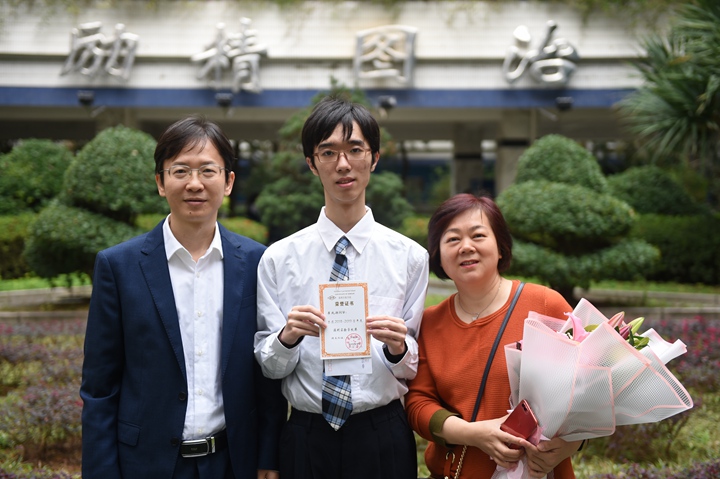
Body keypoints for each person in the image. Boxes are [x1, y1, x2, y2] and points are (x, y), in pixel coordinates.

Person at [80, 116, 287, 479]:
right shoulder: (119, 266)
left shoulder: (257, 261)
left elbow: (266, 370)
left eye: (208, 170)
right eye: (180, 171)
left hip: (232, 461)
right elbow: (100, 387)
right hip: (146, 465)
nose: (194, 183)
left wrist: (268, 456)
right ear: (161, 182)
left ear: (228, 182)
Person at [254, 95, 429, 479]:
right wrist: (287, 338)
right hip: (307, 433)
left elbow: (413, 365)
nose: (343, 164)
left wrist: (398, 347)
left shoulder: (409, 257)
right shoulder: (279, 258)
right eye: (328, 152)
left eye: (355, 149)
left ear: (375, 158)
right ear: (311, 163)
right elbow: (269, 365)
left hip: (382, 432)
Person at [405, 194, 583, 479]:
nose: (466, 247)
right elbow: (418, 402)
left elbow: (589, 390)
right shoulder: (429, 322)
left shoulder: (545, 305)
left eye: (478, 235)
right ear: (438, 255)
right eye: (452, 239)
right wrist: (473, 434)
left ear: (501, 247)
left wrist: (570, 445)